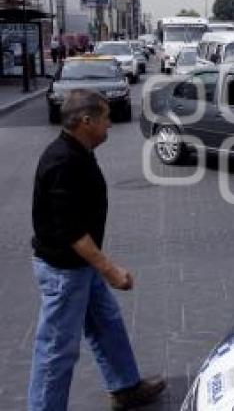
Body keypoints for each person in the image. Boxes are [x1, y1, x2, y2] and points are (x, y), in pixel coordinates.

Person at [29, 90, 165, 411]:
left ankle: (125, 388)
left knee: (107, 324)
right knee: (56, 349)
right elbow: (72, 231)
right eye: (105, 118)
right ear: (86, 121)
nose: (110, 124)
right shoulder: (63, 161)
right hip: (64, 271)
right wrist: (111, 270)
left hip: (80, 267)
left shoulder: (79, 150)